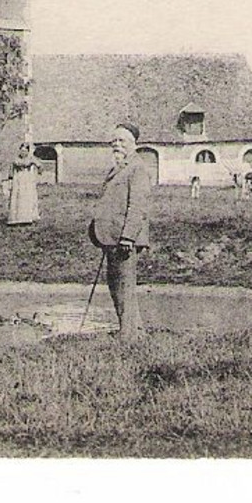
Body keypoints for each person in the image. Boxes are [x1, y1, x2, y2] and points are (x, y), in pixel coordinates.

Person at [88, 122, 152, 340]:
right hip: (112, 237)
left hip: (124, 239)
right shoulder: (118, 168)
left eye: (121, 140)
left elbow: (138, 205)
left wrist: (128, 236)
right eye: (113, 141)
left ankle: (128, 335)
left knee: (124, 285)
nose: (116, 144)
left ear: (134, 144)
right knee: (117, 284)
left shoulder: (137, 168)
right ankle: (135, 331)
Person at [6, 143, 40, 225]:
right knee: (18, 197)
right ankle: (17, 218)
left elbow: (39, 165)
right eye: (21, 151)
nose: (23, 153)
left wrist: (36, 173)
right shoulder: (16, 159)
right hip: (18, 180)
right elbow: (11, 171)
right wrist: (10, 178)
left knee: (27, 197)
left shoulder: (31, 159)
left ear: (28, 151)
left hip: (27, 180)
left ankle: (28, 218)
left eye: (25, 151)